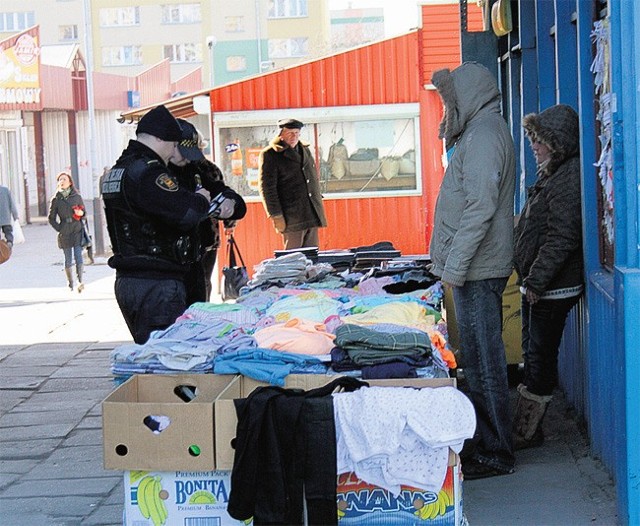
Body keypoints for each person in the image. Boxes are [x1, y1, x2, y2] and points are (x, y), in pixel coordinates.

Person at [429, 62, 516, 479]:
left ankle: (496, 450)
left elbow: (479, 207)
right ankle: (488, 443)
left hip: (478, 270)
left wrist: (455, 267)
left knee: (484, 362)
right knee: (479, 360)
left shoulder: (484, 135)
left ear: (468, 97)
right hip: (474, 268)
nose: (448, 108)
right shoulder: (482, 131)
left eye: (450, 100)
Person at [102, 105, 211, 344]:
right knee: (170, 362)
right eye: (173, 144)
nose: (174, 152)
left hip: (129, 280)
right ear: (161, 138)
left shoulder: (118, 170)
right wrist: (202, 199)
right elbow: (187, 212)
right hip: (157, 283)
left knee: (150, 355)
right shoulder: (148, 173)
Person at [513, 104, 583, 450]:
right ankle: (526, 426)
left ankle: (528, 430)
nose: (534, 146)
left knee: (540, 355)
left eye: (539, 140)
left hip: (551, 288)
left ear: (557, 143)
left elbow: (562, 237)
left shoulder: (568, 177)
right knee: (534, 351)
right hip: (542, 286)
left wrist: (536, 281)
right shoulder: (554, 173)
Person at [171, 119, 246, 304]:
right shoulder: (206, 167)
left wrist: (230, 210)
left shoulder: (201, 169)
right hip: (200, 237)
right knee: (201, 280)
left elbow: (223, 192)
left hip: (204, 237)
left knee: (200, 281)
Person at [258, 118, 327, 250]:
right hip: (291, 215)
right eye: (290, 133)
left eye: (296, 133)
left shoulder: (304, 150)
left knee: (312, 256)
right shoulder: (271, 154)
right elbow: (267, 189)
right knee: (293, 258)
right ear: (281, 134)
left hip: (311, 210)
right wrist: (275, 215)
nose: (294, 136)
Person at [48, 172, 87, 292]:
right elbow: (51, 218)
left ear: (70, 182)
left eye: (64, 179)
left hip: (76, 229)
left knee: (78, 255)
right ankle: (70, 283)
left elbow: (84, 212)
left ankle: (80, 280)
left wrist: (81, 214)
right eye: (60, 179)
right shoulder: (56, 199)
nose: (62, 181)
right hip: (64, 231)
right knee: (68, 258)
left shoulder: (76, 197)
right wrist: (59, 228)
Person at [0, 184, 18, 249]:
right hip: (6, 218)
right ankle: (9, 242)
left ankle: (1, 250)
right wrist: (15, 215)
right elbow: (12, 204)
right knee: (8, 232)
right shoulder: (6, 190)